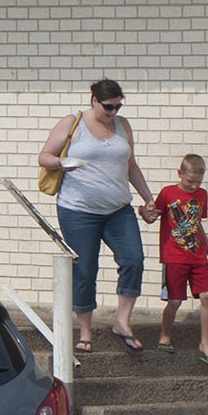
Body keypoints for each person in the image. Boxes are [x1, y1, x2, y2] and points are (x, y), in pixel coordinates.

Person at [37, 79, 159, 354]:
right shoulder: (73, 122)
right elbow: (44, 156)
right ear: (94, 100)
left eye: (118, 106)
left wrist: (148, 199)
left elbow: (131, 166)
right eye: (108, 107)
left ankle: (122, 323)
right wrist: (61, 163)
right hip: (78, 210)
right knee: (85, 269)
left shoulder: (123, 125)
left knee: (134, 259)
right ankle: (85, 332)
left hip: (118, 209)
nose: (113, 112)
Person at [155, 153, 208, 364]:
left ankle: (205, 343)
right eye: (189, 181)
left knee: (207, 296)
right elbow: (154, 213)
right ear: (180, 173)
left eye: (198, 182)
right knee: (175, 300)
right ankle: (165, 335)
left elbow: (196, 223)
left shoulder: (202, 195)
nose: (193, 186)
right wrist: (143, 211)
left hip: (197, 255)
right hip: (174, 256)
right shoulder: (167, 193)